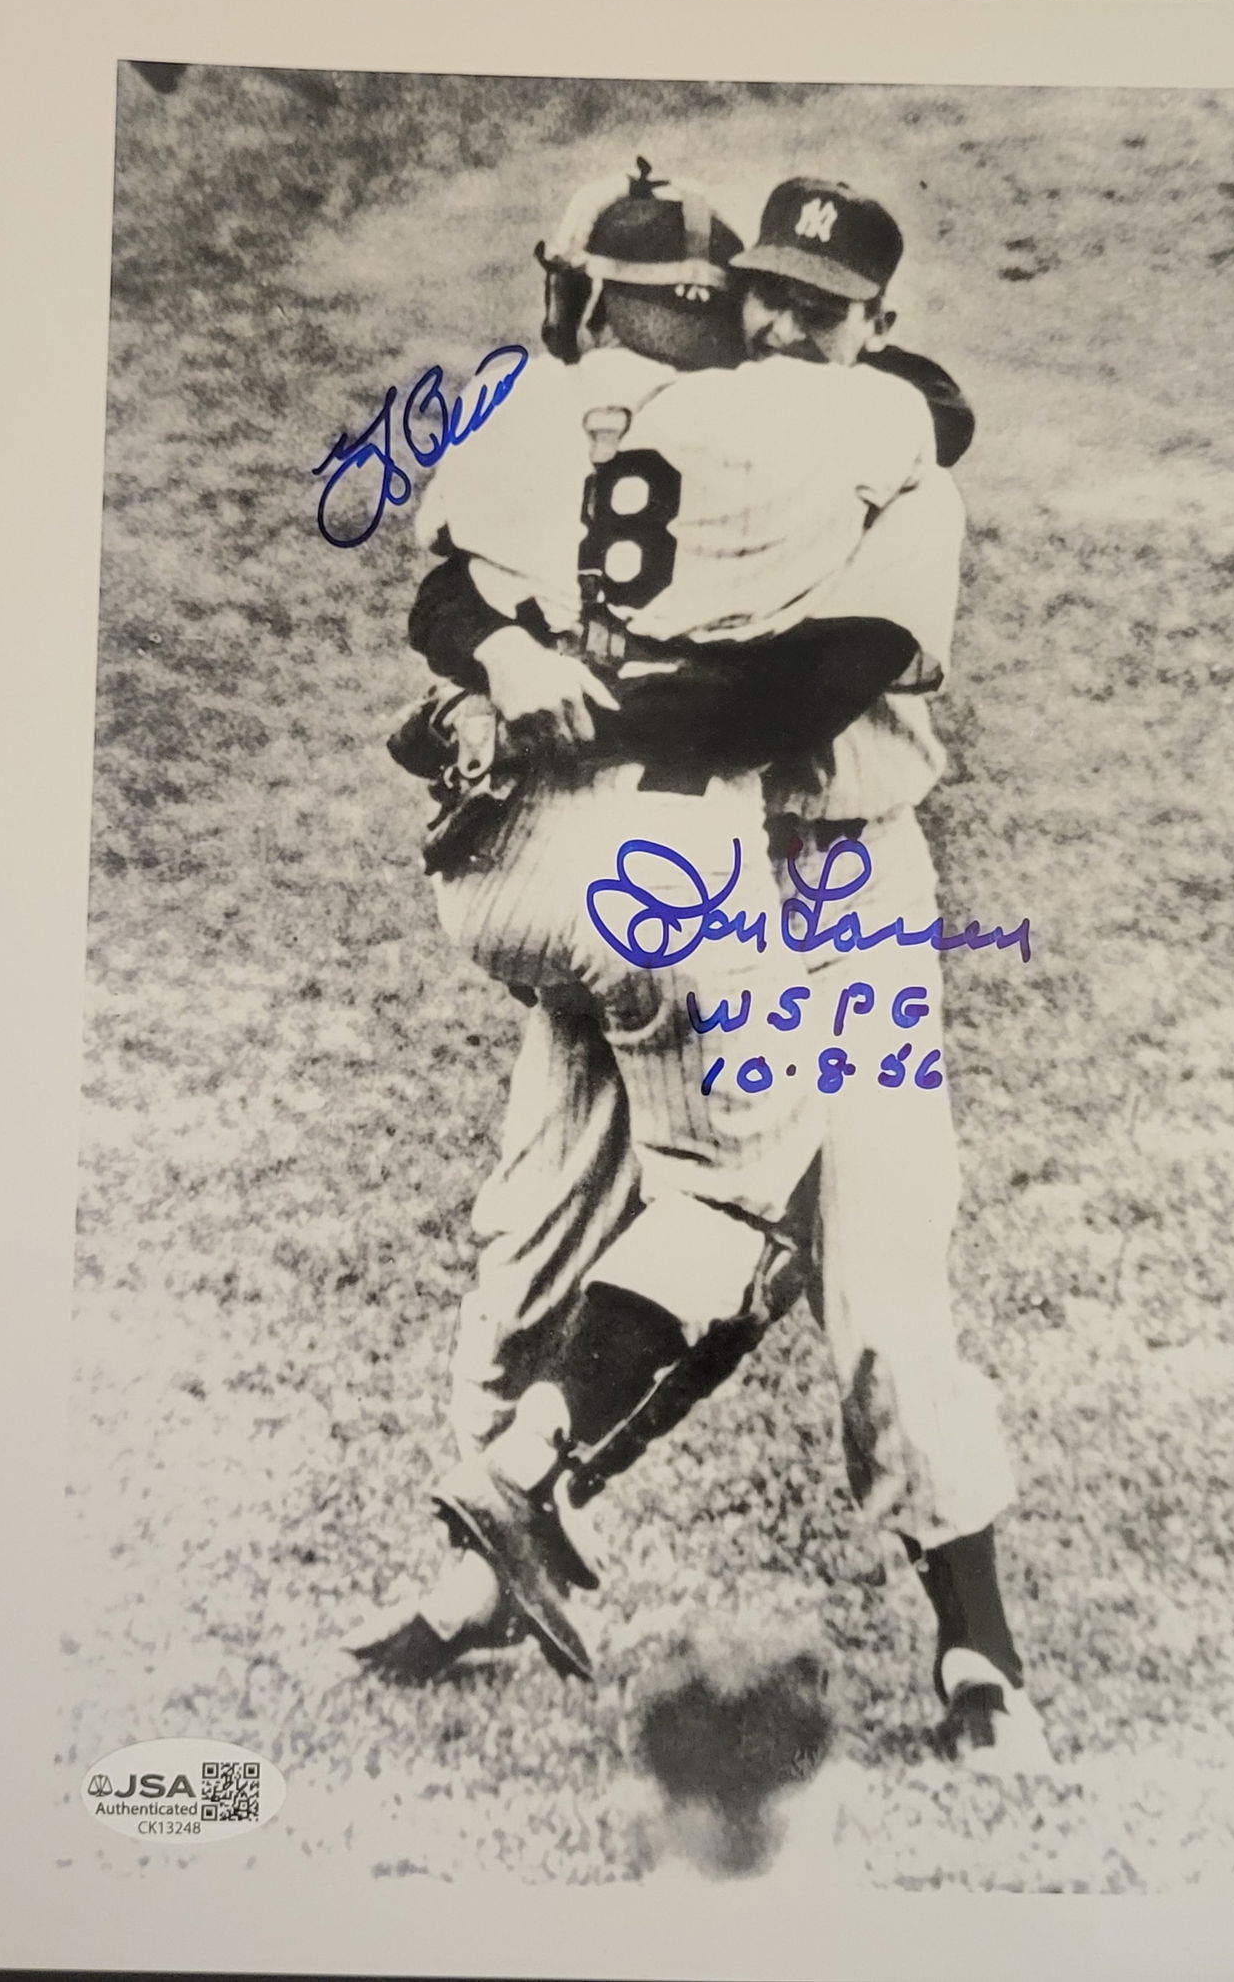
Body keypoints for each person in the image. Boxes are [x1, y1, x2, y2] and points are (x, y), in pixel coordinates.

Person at [354, 168, 1048, 1770]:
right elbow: (461, 572)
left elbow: (828, 676)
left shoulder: (898, 466)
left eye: (828, 304)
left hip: (842, 894)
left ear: (882, 324)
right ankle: (483, 1568)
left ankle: (979, 1650)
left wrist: (570, 711)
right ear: (730, 294)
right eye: (769, 293)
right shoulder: (684, 429)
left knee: (876, 1279)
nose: (789, 322)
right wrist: (501, 662)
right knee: (528, 1238)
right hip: (660, 880)